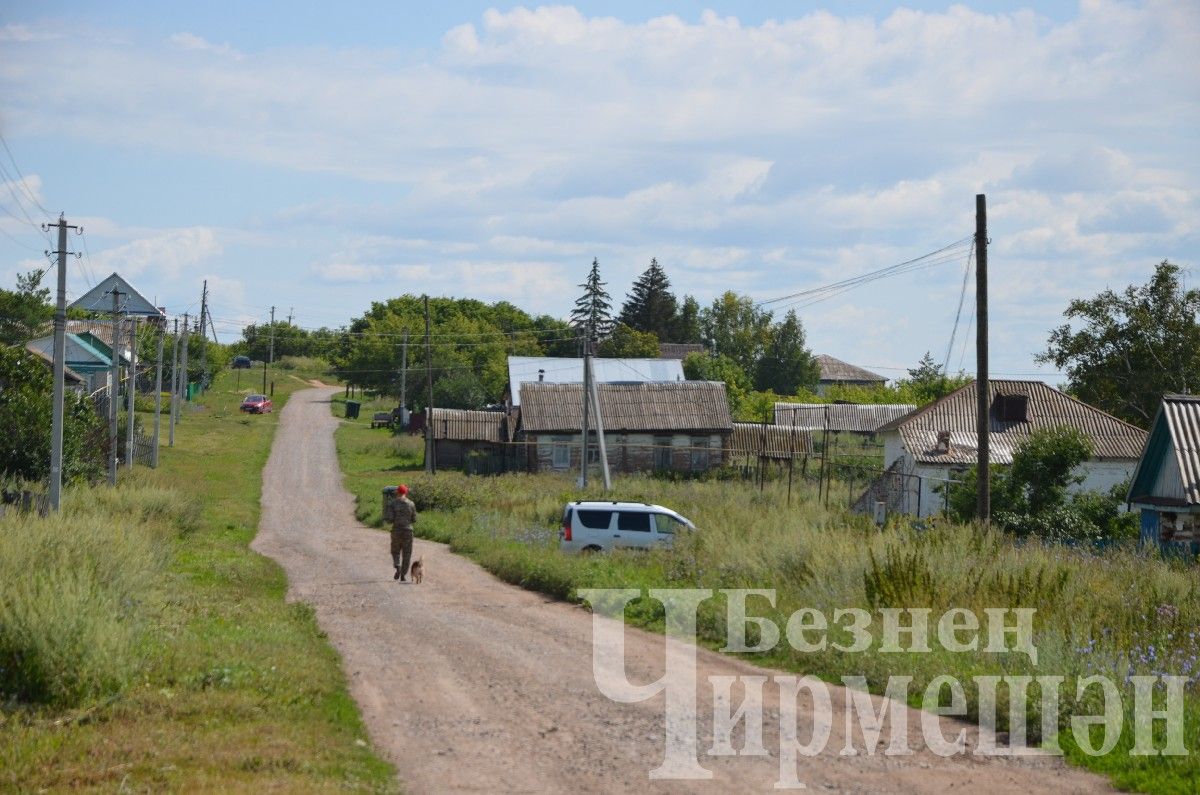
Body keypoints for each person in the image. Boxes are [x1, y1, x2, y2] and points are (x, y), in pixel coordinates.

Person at [390, 484, 417, 581]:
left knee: (395, 551)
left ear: (398, 492)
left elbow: (390, 518)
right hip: (408, 531)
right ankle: (403, 575)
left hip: (396, 530)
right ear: (406, 492)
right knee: (407, 553)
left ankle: (397, 566)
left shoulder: (393, 503)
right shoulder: (411, 504)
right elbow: (414, 519)